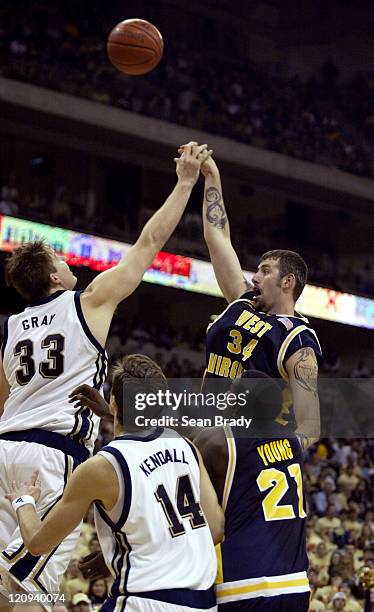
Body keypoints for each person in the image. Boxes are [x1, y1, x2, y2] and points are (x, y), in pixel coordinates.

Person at [0, 143, 212, 604]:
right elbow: (149, 244)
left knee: (6, 582)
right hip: (51, 457)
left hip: (4, 449)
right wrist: (184, 183)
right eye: (60, 261)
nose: (68, 262)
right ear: (54, 279)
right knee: (30, 589)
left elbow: (4, 398)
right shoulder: (88, 301)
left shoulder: (12, 327)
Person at [6, 354, 223, 612]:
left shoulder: (101, 467)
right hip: (204, 604)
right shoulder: (186, 447)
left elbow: (38, 544)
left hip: (141, 601)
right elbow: (215, 529)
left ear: (113, 401)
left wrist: (24, 501)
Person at [178, 142, 322, 444]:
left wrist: (270, 458)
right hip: (203, 438)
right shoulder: (242, 301)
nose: (255, 276)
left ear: (288, 282)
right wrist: (212, 176)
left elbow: (310, 425)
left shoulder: (298, 340)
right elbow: (217, 235)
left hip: (246, 450)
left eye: (266, 270)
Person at [193, 370, 316, 611]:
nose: (226, 395)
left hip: (242, 585)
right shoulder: (293, 442)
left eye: (232, 391)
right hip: (296, 585)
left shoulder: (216, 441)